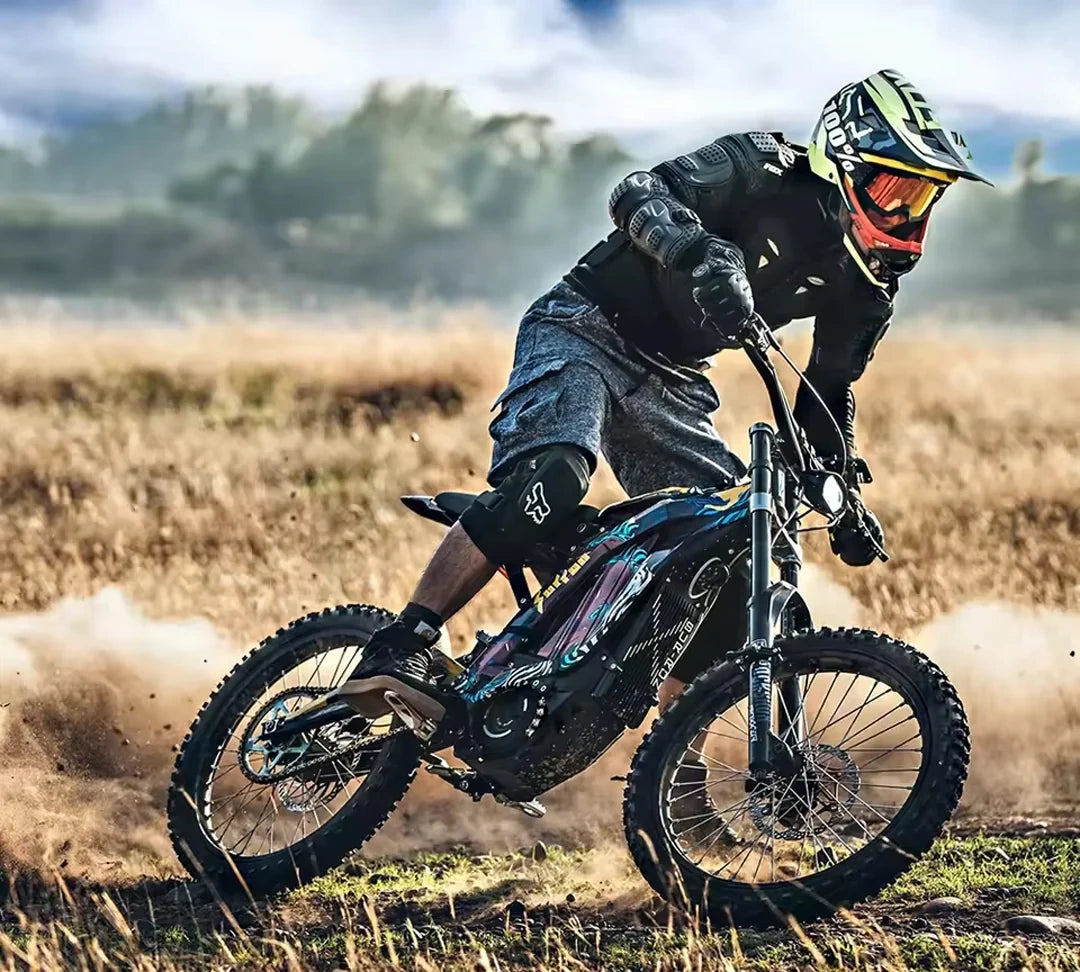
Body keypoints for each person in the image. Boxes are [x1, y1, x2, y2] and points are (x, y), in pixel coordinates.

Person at [348, 69, 989, 718]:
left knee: (737, 547)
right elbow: (637, 192)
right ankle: (402, 644)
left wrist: (841, 492)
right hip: (583, 327)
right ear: (843, 161)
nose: (907, 212)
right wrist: (700, 253)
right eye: (894, 188)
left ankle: (678, 773)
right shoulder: (760, 166)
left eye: (922, 197)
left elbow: (826, 394)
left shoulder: (868, 287)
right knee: (556, 475)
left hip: (675, 383)